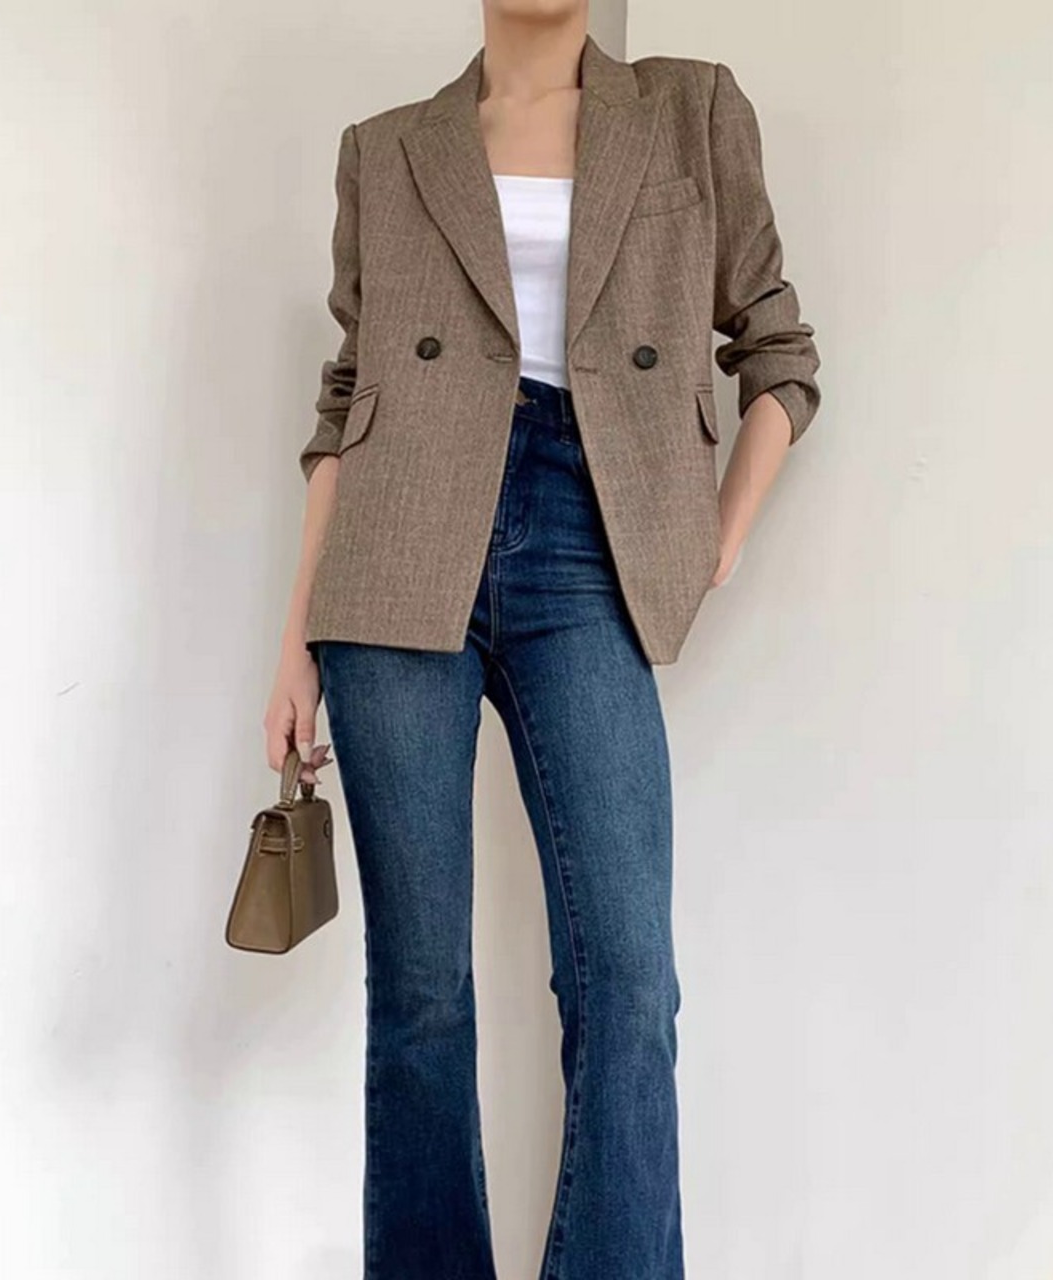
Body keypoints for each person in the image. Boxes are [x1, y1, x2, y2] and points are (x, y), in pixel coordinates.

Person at [263, 4, 821, 1276]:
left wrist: (714, 536)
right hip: (398, 553)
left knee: (627, 978)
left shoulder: (686, 109)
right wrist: (292, 641)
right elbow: (346, 405)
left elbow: (778, 351)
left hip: (588, 539)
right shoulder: (385, 149)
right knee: (419, 993)